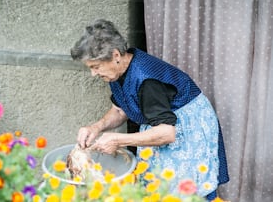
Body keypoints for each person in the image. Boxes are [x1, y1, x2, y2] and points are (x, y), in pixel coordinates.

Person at [70, 19, 229, 200]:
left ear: (115, 55)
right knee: (157, 185)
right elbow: (120, 110)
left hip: (185, 127)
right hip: (161, 123)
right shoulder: (118, 71)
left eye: (95, 67)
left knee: (185, 191)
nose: (93, 73)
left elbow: (167, 133)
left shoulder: (146, 80)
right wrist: (96, 127)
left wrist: (118, 140)